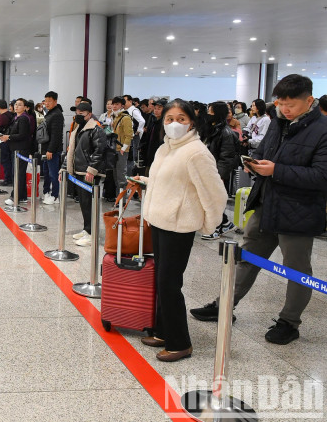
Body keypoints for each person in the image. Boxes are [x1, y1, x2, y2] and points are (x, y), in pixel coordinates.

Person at [192, 75, 327, 344]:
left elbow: (321, 176)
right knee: (247, 258)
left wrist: (276, 170)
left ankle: (289, 321)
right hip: (265, 204)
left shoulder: (322, 130)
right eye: (280, 103)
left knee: (296, 269)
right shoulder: (278, 124)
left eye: (291, 104)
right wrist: (253, 164)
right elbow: (264, 151)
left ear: (309, 101)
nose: (284, 109)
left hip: (298, 211)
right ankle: (225, 305)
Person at [134, 99, 226, 362]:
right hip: (161, 221)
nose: (174, 124)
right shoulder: (166, 149)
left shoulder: (196, 152)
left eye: (181, 119)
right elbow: (171, 182)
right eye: (169, 119)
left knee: (169, 284)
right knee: (162, 282)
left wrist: (208, 223)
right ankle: (163, 331)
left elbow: (215, 193)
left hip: (179, 226)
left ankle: (180, 342)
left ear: (192, 122)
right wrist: (147, 181)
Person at [66, 102, 106, 247]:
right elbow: (72, 150)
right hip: (78, 171)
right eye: (76, 112)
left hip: (88, 172)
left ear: (89, 114)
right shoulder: (78, 128)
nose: (77, 115)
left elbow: (99, 151)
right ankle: (87, 229)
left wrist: (91, 169)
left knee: (90, 203)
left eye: (81, 113)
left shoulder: (96, 128)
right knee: (84, 203)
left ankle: (92, 234)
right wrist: (65, 168)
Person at [201, 101, 239, 240]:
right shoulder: (211, 129)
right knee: (209, 199)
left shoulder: (226, 133)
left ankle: (214, 228)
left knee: (214, 201)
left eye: (211, 112)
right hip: (208, 170)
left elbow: (227, 157)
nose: (208, 114)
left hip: (217, 172)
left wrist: (220, 175)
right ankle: (225, 223)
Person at [0, 98, 33, 206]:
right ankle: (22, 196)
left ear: (25, 107)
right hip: (15, 148)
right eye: (16, 105)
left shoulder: (23, 119)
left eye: (19, 105)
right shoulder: (16, 118)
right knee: (18, 173)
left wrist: (8, 137)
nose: (17, 106)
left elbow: (22, 135)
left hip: (21, 149)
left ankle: (15, 196)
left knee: (18, 173)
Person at [40, 91, 65, 205]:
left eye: (50, 101)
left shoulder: (57, 115)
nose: (47, 103)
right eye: (46, 101)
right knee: (46, 171)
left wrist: (50, 150)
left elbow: (56, 135)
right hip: (46, 148)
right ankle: (46, 192)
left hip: (52, 150)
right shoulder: (49, 113)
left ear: (55, 101)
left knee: (53, 173)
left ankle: (55, 196)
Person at [110, 96, 134, 197]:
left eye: (117, 104)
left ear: (122, 106)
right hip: (114, 149)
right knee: (116, 175)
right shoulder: (115, 116)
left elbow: (129, 135)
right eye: (113, 104)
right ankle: (118, 198)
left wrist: (124, 148)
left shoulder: (126, 118)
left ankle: (122, 200)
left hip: (121, 150)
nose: (114, 106)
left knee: (121, 176)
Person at [123, 94, 146, 175]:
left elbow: (142, 121)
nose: (123, 103)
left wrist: (138, 131)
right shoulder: (127, 110)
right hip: (130, 136)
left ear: (130, 101)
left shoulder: (133, 110)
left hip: (134, 137)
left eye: (125, 101)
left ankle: (131, 175)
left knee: (132, 157)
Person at [143, 98, 167, 174]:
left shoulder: (165, 124)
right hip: (150, 154)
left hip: (160, 156)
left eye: (159, 109)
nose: (156, 110)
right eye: (155, 108)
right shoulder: (154, 121)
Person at [0, 99, 14, 186]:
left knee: (5, 160)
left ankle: (7, 179)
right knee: (10, 160)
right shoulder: (11, 114)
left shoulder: (1, 117)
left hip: (3, 139)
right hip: (11, 139)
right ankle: (10, 178)